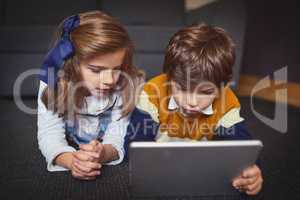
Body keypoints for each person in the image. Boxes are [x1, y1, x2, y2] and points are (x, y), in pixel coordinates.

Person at [134, 23, 263, 195]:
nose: (192, 102)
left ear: (222, 86)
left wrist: (252, 170)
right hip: (159, 169)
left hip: (201, 168)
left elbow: (242, 145)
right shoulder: (151, 92)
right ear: (169, 77)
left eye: (206, 92)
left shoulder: (227, 100)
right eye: (182, 88)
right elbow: (135, 143)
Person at [37, 10, 143, 180]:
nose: (109, 80)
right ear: (72, 65)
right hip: (74, 145)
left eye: (116, 69)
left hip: (104, 145)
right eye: (96, 70)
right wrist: (72, 161)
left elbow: (117, 135)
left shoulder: (125, 83)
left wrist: (103, 153)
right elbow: (49, 133)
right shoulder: (52, 81)